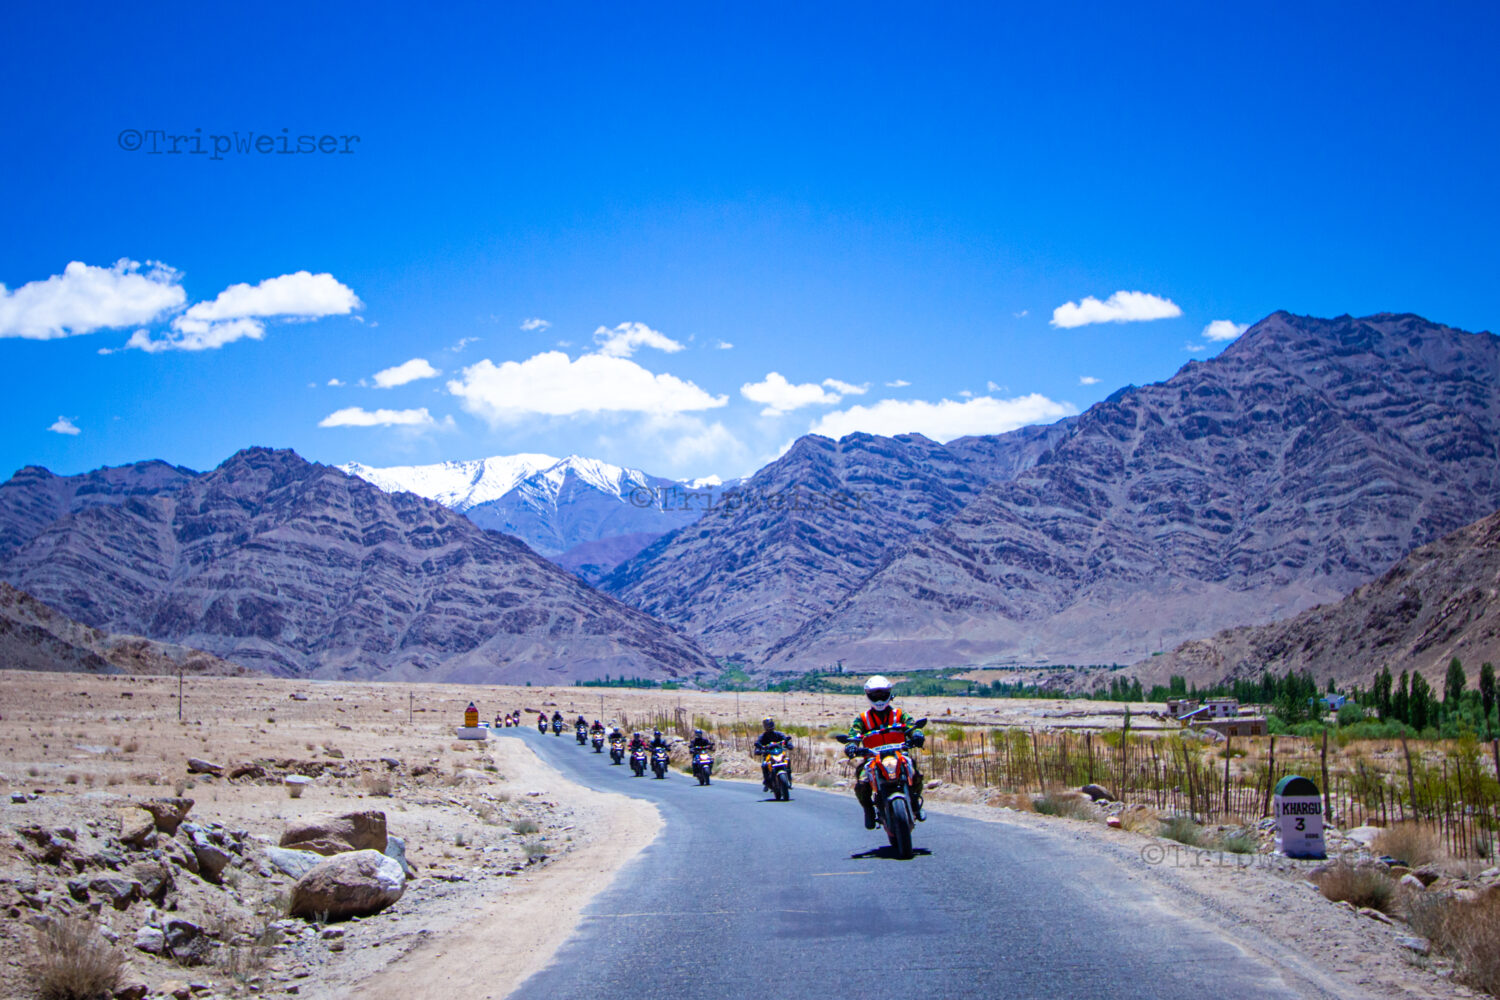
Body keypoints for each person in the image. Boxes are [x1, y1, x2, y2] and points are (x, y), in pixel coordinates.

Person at [844, 675, 925, 830]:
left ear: (889, 694)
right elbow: (854, 735)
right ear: (868, 695)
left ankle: (915, 802)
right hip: (872, 759)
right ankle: (868, 809)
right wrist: (852, 746)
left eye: (882, 694)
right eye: (875, 694)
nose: (879, 698)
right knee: (862, 783)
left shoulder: (899, 714)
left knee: (915, 774)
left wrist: (917, 735)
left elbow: (912, 726)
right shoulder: (862, 719)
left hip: (899, 754)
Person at [753, 717, 792, 791]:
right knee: (764, 765)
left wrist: (789, 744)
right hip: (768, 755)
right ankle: (767, 782)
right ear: (764, 726)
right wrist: (758, 750)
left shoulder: (778, 734)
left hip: (779, 753)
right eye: (767, 724)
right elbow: (758, 744)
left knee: (787, 760)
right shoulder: (762, 736)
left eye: (770, 724)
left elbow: (785, 740)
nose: (769, 726)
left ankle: (789, 779)